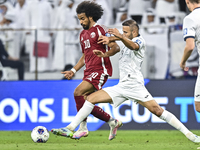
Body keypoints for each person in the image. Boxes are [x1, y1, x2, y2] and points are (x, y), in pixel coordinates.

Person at [52, 19, 200, 143]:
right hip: (122, 86)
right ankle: (71, 128)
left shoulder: (139, 41)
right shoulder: (125, 39)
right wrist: (105, 51)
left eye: (126, 32)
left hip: (135, 86)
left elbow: (133, 45)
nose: (124, 34)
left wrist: (119, 37)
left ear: (134, 32)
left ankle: (190, 135)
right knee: (90, 99)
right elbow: (118, 42)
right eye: (123, 32)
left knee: (157, 111)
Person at [51, 1, 120, 140]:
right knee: (87, 101)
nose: (81, 22)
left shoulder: (100, 29)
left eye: (83, 18)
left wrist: (105, 54)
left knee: (77, 92)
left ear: (90, 17)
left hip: (100, 69)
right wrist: (73, 70)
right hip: (88, 71)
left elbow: (116, 48)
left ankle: (82, 128)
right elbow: (85, 56)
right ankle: (112, 121)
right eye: (79, 19)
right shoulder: (82, 34)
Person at [180, 0, 200, 113]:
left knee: (198, 105)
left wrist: (183, 62)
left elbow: (190, 46)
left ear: (187, 2)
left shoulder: (190, 18)